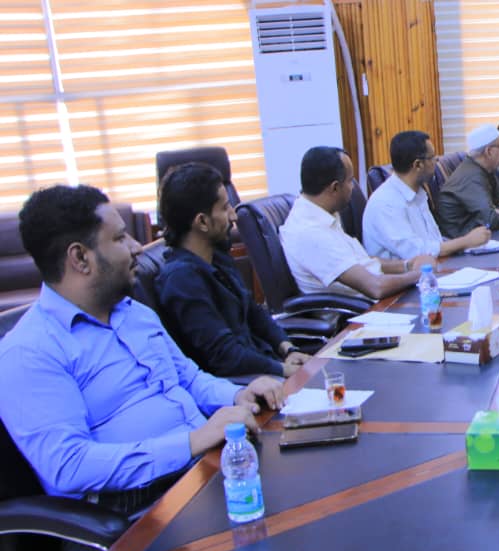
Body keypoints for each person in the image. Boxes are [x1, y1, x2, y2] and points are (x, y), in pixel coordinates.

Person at [0, 184, 284, 517]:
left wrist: (237, 395)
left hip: (201, 465)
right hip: (135, 505)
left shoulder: (134, 313)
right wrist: (192, 441)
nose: (137, 247)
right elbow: (70, 466)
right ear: (80, 258)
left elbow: (189, 379)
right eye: (120, 238)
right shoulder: (29, 352)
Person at [155, 163, 311, 378]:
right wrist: (283, 370)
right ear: (202, 221)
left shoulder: (217, 258)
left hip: (266, 367)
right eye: (225, 207)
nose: (233, 216)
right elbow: (224, 357)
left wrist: (287, 349)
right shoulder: (181, 280)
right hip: (245, 384)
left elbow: (254, 312)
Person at [281, 146, 435, 300]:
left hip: (380, 299)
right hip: (365, 309)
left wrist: (407, 264)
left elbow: (362, 263)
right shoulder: (310, 232)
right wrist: (421, 274)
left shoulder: (321, 214)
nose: (353, 187)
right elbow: (375, 287)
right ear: (335, 188)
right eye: (350, 181)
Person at [364, 130, 491, 259]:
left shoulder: (418, 193)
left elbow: (434, 242)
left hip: (435, 265)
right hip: (411, 271)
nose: (437, 162)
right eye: (432, 158)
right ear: (418, 165)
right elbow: (416, 252)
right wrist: (466, 241)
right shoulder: (385, 203)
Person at [436, 125, 499, 238]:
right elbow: (491, 219)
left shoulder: (486, 169)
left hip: (482, 235)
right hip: (460, 241)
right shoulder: (471, 176)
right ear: (489, 151)